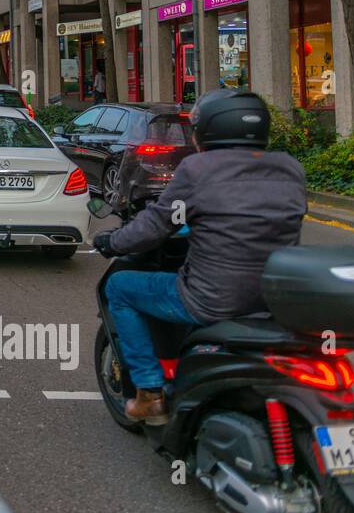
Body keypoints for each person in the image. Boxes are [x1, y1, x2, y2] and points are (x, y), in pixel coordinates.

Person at [92, 89, 306, 424]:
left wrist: (113, 241)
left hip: (212, 299)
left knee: (119, 287)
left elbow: (155, 224)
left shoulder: (197, 169)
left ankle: (149, 392)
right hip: (275, 301)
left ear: (208, 130)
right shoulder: (290, 168)